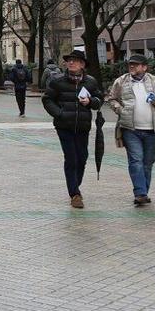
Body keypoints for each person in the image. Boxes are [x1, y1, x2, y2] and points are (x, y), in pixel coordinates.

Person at [106, 54, 155, 206]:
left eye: (136, 65)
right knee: (136, 160)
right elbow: (112, 98)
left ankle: (144, 191)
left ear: (144, 67)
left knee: (148, 163)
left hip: (152, 130)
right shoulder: (121, 81)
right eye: (130, 64)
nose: (132, 67)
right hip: (130, 129)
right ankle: (140, 193)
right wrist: (119, 109)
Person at [43, 48, 104, 209]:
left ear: (82, 64)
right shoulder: (57, 81)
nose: (70, 62)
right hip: (64, 126)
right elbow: (47, 99)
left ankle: (75, 185)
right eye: (69, 60)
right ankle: (75, 193)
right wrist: (59, 113)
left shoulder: (90, 81)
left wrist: (90, 102)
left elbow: (99, 99)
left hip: (83, 126)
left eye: (75, 60)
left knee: (82, 158)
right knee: (71, 158)